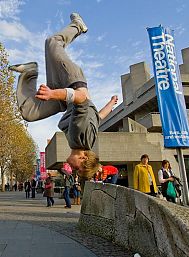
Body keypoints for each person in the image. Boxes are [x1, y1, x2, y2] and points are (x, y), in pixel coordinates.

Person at [9, 12, 118, 180]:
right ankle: (78, 26)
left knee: (29, 112)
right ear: (83, 158)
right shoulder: (79, 135)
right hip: (71, 83)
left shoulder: (84, 141)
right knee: (52, 42)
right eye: (77, 169)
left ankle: (30, 72)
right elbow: (81, 97)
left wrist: (111, 103)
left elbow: (98, 117)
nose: (72, 170)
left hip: (63, 100)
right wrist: (52, 94)